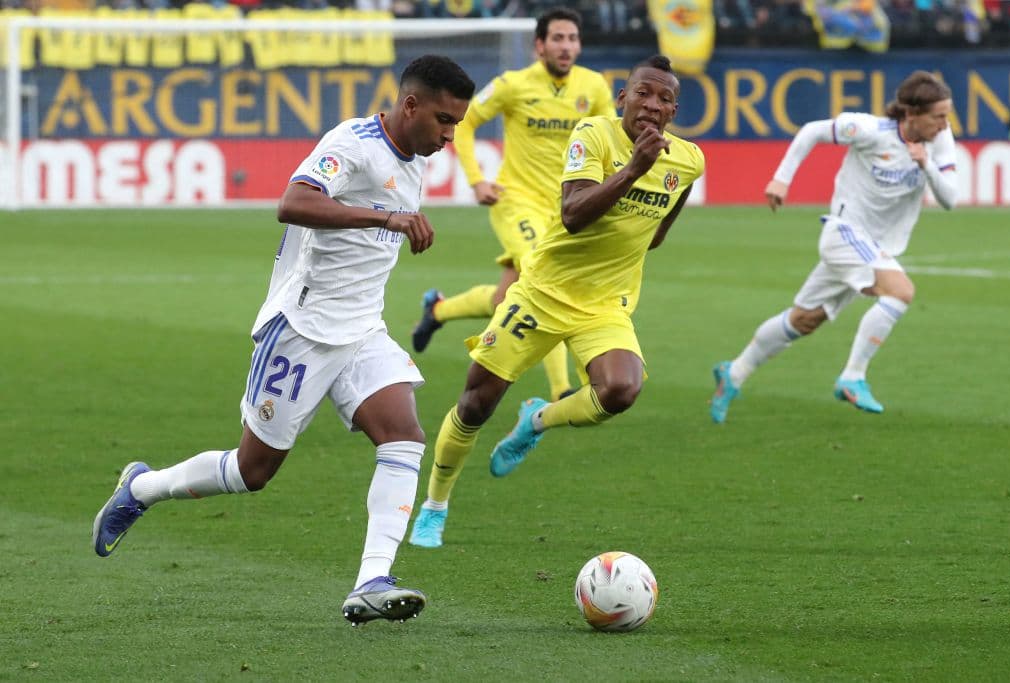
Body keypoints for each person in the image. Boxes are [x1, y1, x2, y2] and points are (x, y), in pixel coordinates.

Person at [91, 55, 475, 626]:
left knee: (404, 435)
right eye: (444, 120)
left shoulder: (415, 157)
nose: (449, 137)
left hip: (362, 330)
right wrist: (384, 217)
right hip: (302, 329)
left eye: (457, 125)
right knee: (252, 471)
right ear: (410, 104)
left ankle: (372, 580)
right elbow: (292, 203)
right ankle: (142, 488)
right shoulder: (352, 143)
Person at [409, 55, 705, 548]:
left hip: (604, 305)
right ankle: (434, 506)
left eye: (665, 99)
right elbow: (573, 214)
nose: (653, 105)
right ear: (622, 99)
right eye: (643, 93)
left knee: (621, 390)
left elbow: (657, 234)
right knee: (476, 403)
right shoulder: (593, 134)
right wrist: (635, 169)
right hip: (543, 292)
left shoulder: (688, 160)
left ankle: (536, 419)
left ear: (674, 111)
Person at [709, 70, 957, 423]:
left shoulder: (939, 142)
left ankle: (733, 373)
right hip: (845, 233)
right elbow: (813, 130)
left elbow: (950, 199)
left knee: (805, 319)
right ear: (911, 113)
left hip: (873, 247)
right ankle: (853, 376)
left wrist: (927, 164)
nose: (945, 124)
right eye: (939, 116)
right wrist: (781, 179)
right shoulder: (871, 130)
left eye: (947, 116)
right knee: (900, 291)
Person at [410, 6, 616, 404]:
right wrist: (476, 179)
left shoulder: (593, 87)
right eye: (557, 38)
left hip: (565, 209)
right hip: (517, 201)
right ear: (539, 45)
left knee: (505, 299)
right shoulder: (512, 84)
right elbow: (465, 123)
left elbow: (611, 140)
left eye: (572, 39)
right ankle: (561, 389)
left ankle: (438, 311)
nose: (566, 46)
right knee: (545, 277)